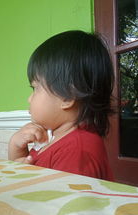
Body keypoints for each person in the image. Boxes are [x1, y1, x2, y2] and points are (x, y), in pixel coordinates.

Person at [8, 30, 114, 181]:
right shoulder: (54, 137)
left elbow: (59, 203)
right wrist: (17, 150)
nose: (29, 99)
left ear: (67, 96)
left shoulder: (77, 151)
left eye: (35, 88)